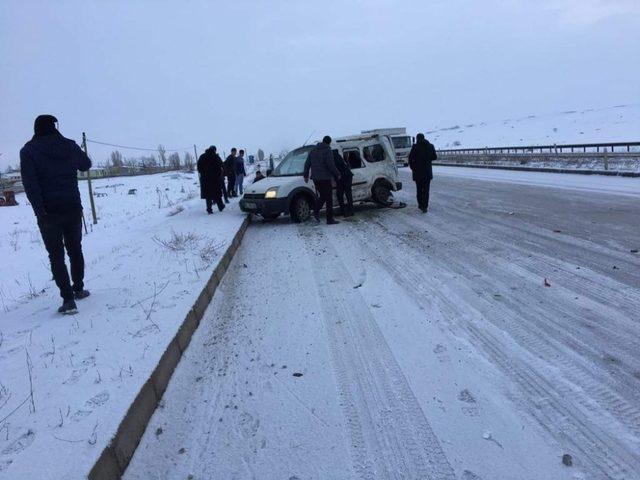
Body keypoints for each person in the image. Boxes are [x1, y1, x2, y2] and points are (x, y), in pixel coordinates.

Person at [20, 114, 92, 314]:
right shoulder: (68, 145)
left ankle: (68, 300)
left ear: (36, 129)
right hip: (72, 207)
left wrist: (39, 211)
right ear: (55, 127)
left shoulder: (28, 151)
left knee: (56, 255)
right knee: (75, 249)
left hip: (48, 213)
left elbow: (30, 184)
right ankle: (78, 288)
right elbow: (86, 164)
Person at [303, 135, 341, 225]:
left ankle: (315, 211)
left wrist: (306, 175)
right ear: (329, 142)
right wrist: (337, 173)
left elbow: (307, 164)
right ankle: (329, 219)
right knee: (328, 199)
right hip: (325, 178)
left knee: (323, 196)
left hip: (316, 178)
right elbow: (330, 164)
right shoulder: (327, 151)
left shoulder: (313, 151)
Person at [408, 133, 437, 213]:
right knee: (426, 190)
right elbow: (435, 157)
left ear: (417, 139)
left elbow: (410, 159)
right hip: (427, 172)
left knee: (419, 189)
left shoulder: (415, 147)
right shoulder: (430, 146)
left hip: (417, 173)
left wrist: (413, 167)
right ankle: (425, 206)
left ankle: (420, 205)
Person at [197, 146, 225, 214]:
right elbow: (221, 165)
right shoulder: (215, 156)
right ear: (214, 150)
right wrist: (219, 174)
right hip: (215, 178)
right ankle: (221, 207)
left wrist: (203, 174)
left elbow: (199, 167)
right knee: (217, 193)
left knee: (208, 195)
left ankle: (209, 209)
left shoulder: (202, 156)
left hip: (205, 179)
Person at [333, 150, 354, 216]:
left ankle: (350, 211)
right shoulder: (335, 156)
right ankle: (344, 210)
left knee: (347, 193)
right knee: (340, 193)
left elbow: (335, 168)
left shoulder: (334, 157)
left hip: (345, 176)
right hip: (343, 176)